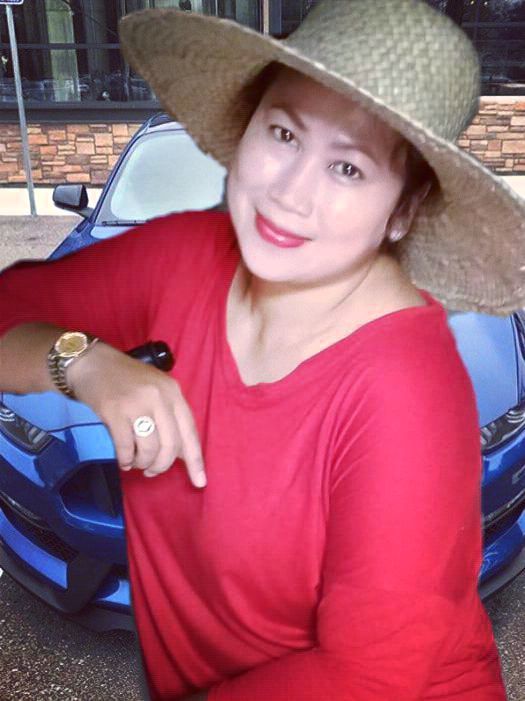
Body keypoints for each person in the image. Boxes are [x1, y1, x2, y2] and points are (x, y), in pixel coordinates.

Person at [0, 0, 523, 698]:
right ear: (244, 128)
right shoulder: (182, 258)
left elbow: (372, 674)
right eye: (283, 133)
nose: (288, 193)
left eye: (348, 169)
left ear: (402, 212)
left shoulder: (406, 391)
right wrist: (83, 361)